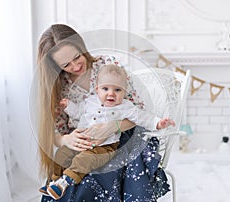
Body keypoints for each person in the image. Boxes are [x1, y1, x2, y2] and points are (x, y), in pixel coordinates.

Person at [37, 24, 172, 202]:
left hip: (118, 139)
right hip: (82, 142)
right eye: (66, 65)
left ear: (81, 47)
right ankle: (58, 183)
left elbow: (137, 113)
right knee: (65, 162)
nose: (75, 66)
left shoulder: (108, 65)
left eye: (77, 57)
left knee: (94, 178)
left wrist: (112, 126)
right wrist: (66, 139)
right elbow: (55, 132)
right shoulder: (59, 86)